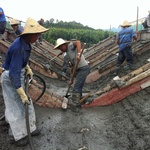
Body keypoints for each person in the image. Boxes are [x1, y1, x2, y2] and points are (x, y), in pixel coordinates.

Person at [1, 17, 48, 147]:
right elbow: (13, 74)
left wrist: (26, 67)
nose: (38, 36)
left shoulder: (26, 43)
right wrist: (21, 93)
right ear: (29, 34)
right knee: (15, 106)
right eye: (36, 34)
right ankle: (15, 136)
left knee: (27, 104)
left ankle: (30, 128)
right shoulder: (18, 47)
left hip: (18, 73)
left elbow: (22, 61)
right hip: (11, 78)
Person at [53, 38, 90, 111]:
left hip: (84, 68)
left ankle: (75, 106)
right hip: (79, 69)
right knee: (77, 85)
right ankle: (79, 98)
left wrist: (79, 54)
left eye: (60, 47)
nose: (60, 49)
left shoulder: (70, 46)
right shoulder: (67, 53)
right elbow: (73, 67)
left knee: (76, 87)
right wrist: (71, 79)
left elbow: (78, 42)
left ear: (64, 45)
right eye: (59, 48)